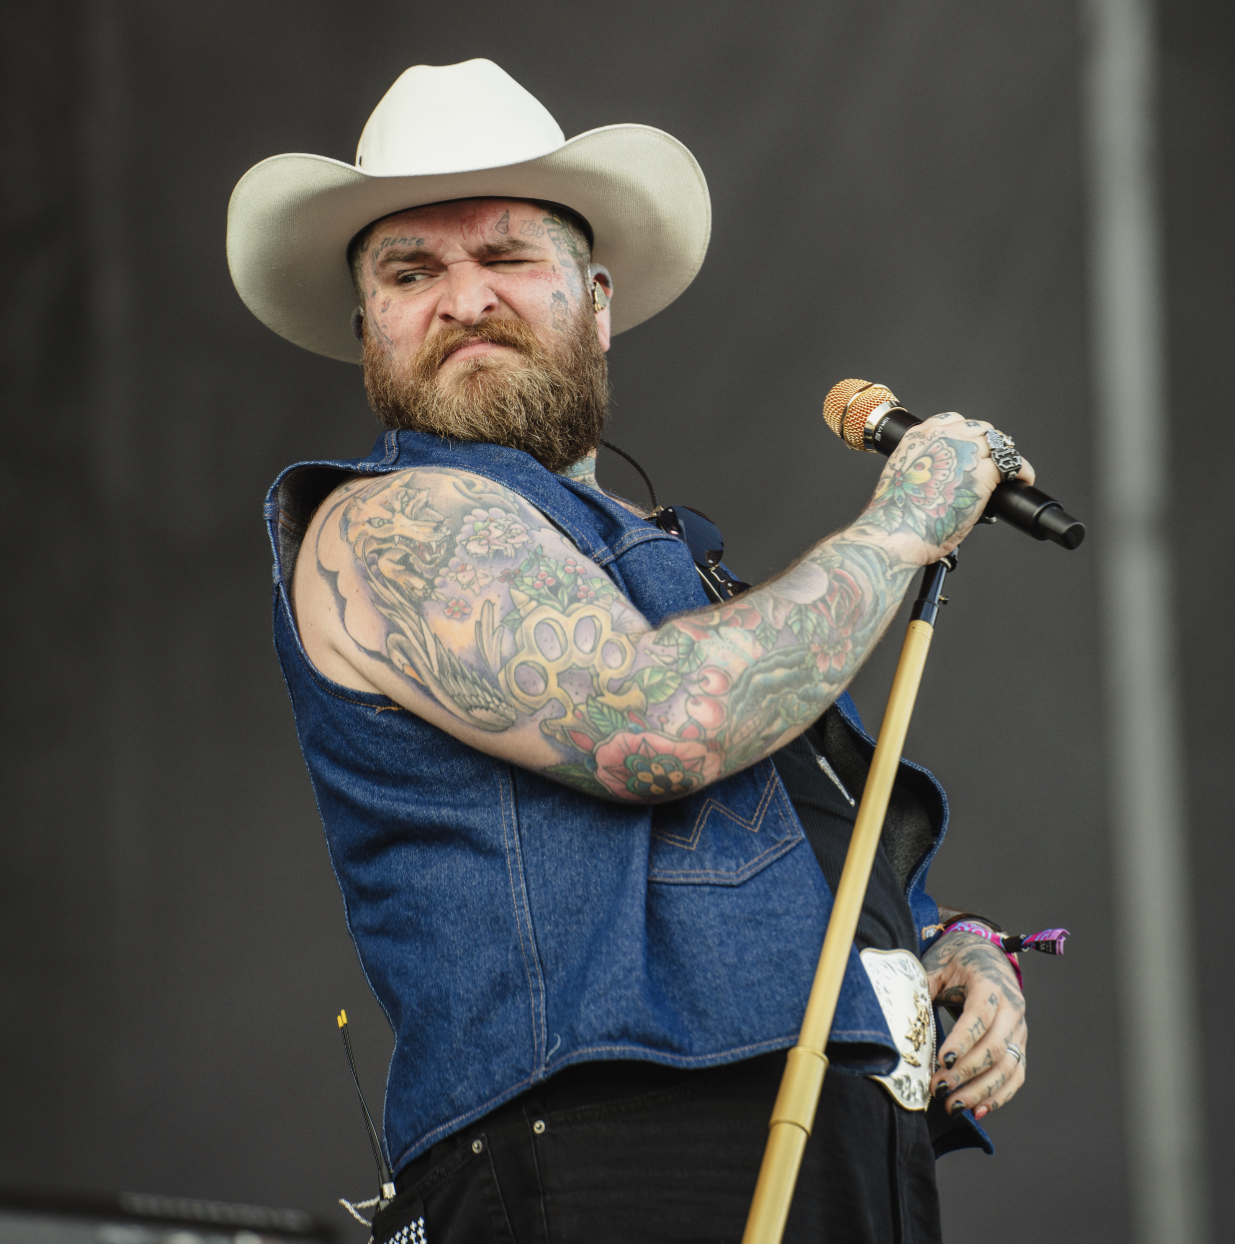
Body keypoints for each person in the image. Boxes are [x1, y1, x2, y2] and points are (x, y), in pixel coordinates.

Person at [229, 59, 1035, 1243]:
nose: (463, 298)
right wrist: (904, 524)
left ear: (594, 298)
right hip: (609, 1159)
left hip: (834, 1145)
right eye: (413, 271)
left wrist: (958, 945)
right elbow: (659, 720)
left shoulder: (674, 571)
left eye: (505, 257)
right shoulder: (391, 523)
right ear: (368, 330)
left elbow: (771, 839)